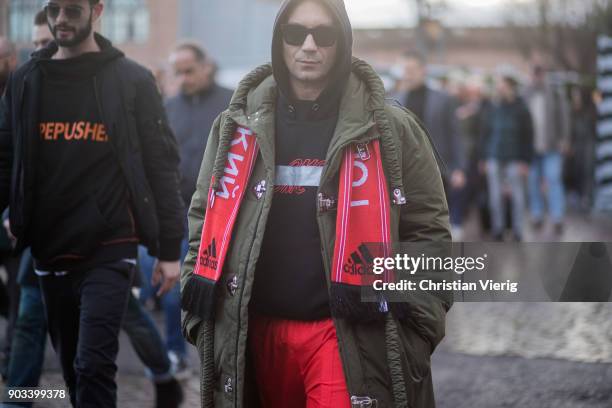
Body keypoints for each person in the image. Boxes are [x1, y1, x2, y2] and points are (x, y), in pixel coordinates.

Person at [181, 0, 452, 407]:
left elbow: (428, 232)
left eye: (323, 35)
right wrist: (200, 321)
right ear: (279, 40)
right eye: (295, 34)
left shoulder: (390, 128)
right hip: (252, 333)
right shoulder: (237, 128)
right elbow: (203, 220)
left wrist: (415, 330)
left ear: (342, 42)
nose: (308, 46)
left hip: (343, 335)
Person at [0, 1, 185, 407]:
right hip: (48, 246)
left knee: (93, 366)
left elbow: (160, 165)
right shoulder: (27, 79)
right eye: (54, 8)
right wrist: (11, 211)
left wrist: (171, 250)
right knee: (72, 371)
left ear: (96, 10)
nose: (61, 18)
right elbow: (7, 154)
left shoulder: (131, 80)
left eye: (72, 9)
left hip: (110, 245)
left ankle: (162, 376)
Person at [138, 42, 233, 376]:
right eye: (177, 72)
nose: (183, 78)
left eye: (189, 70)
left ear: (207, 66)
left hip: (223, 213)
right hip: (178, 212)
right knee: (173, 289)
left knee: (224, 294)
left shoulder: (232, 102)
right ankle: (174, 354)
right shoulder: (169, 106)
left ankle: (224, 362)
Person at [395, 50, 467, 240]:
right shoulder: (396, 100)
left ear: (423, 70)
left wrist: (459, 168)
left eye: (411, 69)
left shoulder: (443, 99)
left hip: (439, 168)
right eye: (405, 70)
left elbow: (455, 135)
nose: (407, 74)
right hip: (406, 169)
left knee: (437, 217)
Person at [481, 75, 534, 241]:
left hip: (515, 159)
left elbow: (529, 136)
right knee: (495, 196)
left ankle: (518, 230)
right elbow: (485, 133)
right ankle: (499, 229)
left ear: (511, 87)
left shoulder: (522, 109)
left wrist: (525, 161)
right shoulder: (493, 108)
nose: (499, 89)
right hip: (494, 156)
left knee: (518, 196)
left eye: (502, 86)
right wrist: (483, 158)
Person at [524, 66, 571, 234]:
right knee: (533, 182)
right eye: (534, 74)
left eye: (539, 73)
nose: (537, 77)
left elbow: (564, 118)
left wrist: (565, 139)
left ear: (543, 75)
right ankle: (537, 215)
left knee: (553, 179)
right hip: (531, 148)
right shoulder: (526, 94)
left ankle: (557, 217)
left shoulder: (555, 94)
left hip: (552, 147)